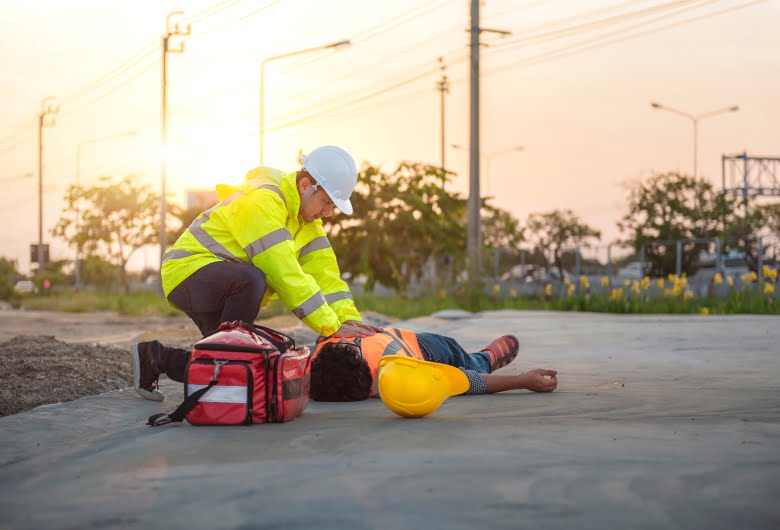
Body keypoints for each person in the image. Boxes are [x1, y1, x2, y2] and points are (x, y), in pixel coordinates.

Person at [132, 146, 382, 401]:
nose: (328, 212)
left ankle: (154, 358)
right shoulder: (264, 200)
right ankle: (191, 366)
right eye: (327, 202)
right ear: (306, 185)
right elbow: (282, 271)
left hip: (220, 285)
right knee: (252, 280)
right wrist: (330, 326)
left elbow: (328, 281)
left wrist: (351, 325)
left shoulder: (308, 228)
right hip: (188, 273)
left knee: (238, 365)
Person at [309, 328, 558, 401]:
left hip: (421, 344)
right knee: (464, 365)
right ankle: (484, 358)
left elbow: (464, 381)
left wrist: (523, 381)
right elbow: (462, 381)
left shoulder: (400, 369)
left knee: (460, 355)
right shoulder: (319, 353)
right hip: (411, 345)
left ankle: (483, 358)